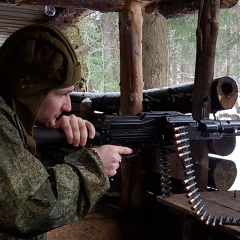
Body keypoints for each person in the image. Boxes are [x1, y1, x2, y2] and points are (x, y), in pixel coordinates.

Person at [0, 24, 132, 240]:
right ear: (32, 92)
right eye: (62, 94)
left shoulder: (13, 120)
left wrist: (63, 144)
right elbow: (25, 209)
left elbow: (21, 175)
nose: (68, 107)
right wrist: (93, 166)